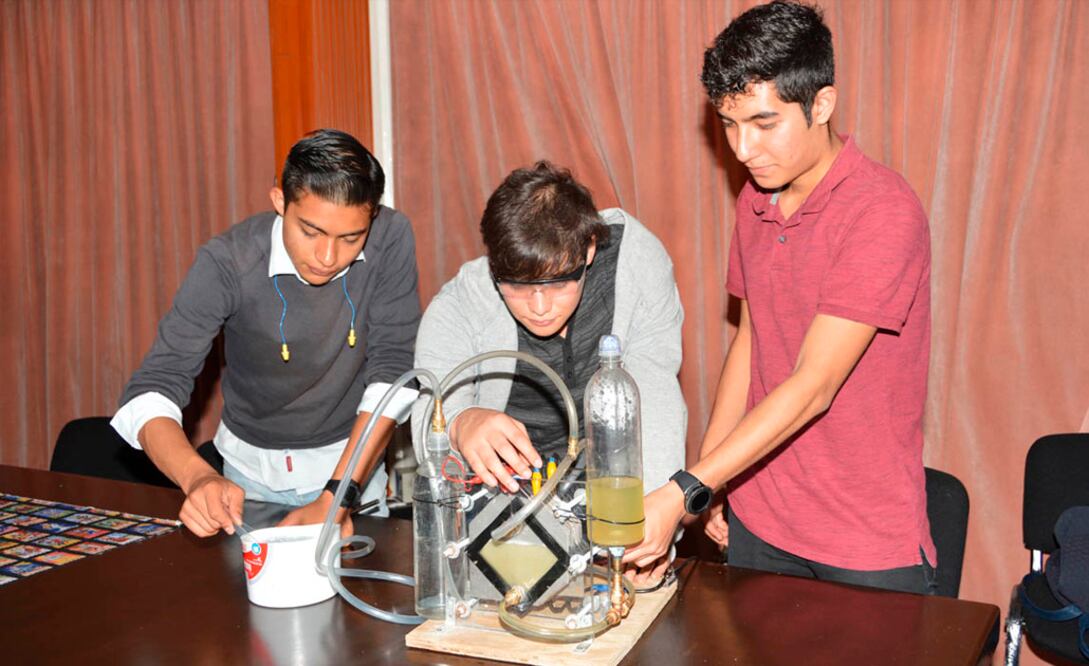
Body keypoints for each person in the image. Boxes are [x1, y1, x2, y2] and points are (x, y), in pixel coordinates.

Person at [625, 0, 937, 594]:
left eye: (765, 124)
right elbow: (752, 340)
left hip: (861, 537)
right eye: (729, 123)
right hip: (761, 521)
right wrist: (708, 484)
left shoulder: (883, 211)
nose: (744, 149)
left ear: (822, 104)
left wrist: (685, 487)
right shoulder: (757, 197)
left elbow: (814, 385)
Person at [111, 129, 421, 539]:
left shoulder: (391, 237)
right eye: (310, 232)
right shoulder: (227, 261)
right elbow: (152, 390)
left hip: (351, 472)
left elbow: (393, 371)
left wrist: (337, 496)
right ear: (279, 202)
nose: (328, 258)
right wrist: (198, 479)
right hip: (247, 482)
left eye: (350, 238)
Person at [411, 161, 686, 581]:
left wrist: (649, 521)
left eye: (559, 284)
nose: (540, 308)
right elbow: (427, 411)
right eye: (519, 286)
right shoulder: (461, 303)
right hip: (511, 521)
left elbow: (656, 394)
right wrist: (461, 423)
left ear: (588, 250)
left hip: (612, 498)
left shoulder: (635, 265)